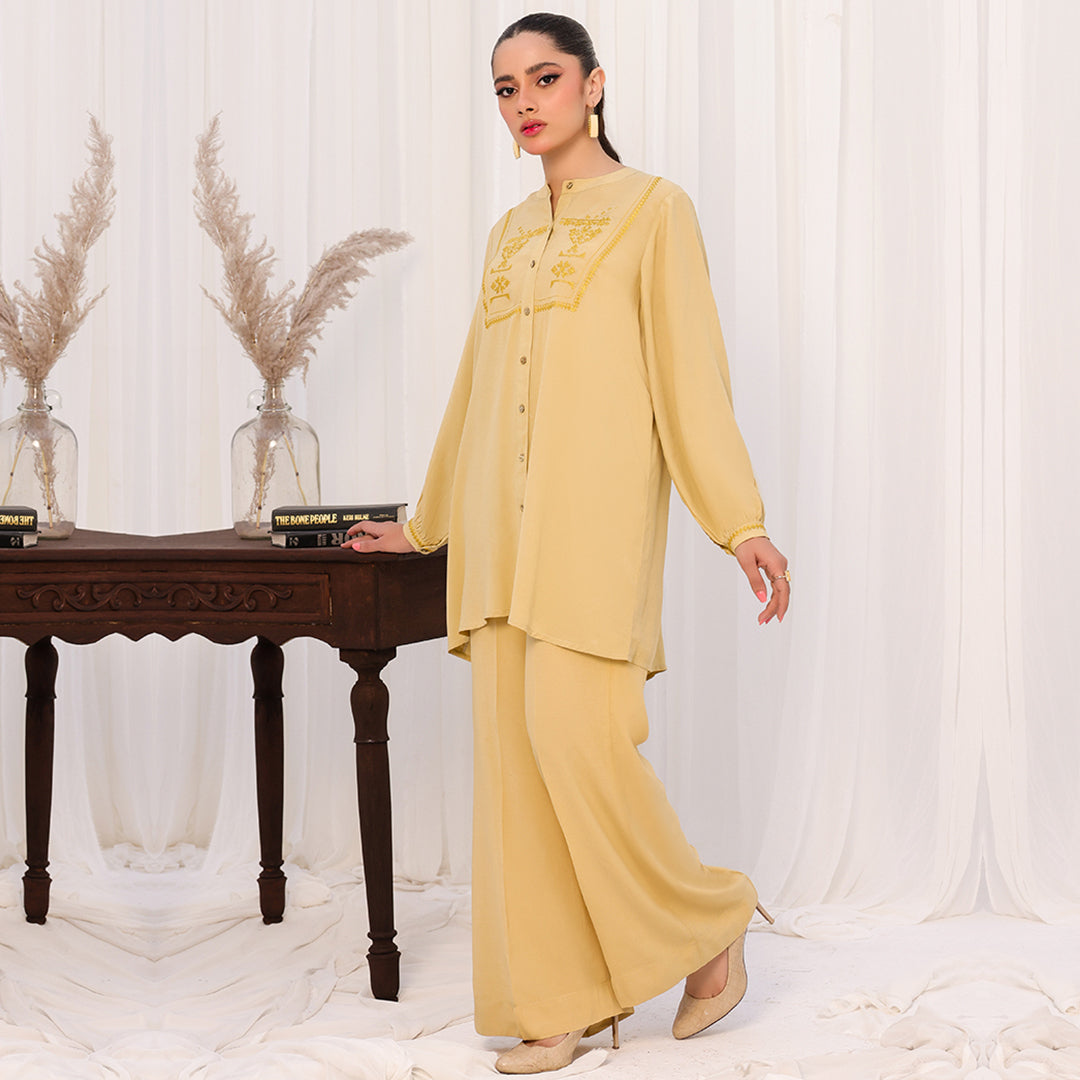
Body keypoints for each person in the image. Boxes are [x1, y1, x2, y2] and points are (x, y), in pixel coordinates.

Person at [344, 12, 790, 1075]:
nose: (524, 103)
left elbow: (690, 380)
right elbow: (473, 391)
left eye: (544, 78)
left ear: (594, 85)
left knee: (576, 739)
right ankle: (561, 1000)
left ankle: (709, 920)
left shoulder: (655, 212)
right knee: (517, 772)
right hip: (497, 539)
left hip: (593, 531)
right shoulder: (507, 235)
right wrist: (424, 523)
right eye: (505, 89)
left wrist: (741, 521)